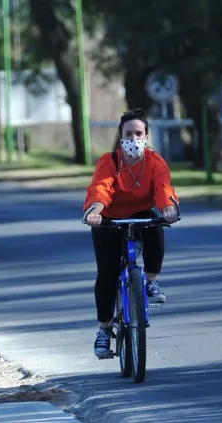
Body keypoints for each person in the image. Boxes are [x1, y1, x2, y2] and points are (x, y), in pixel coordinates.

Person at [82, 108, 180, 359]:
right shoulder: (110, 161)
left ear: (146, 136)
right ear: (120, 136)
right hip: (108, 217)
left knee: (157, 226)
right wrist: (96, 211)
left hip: (140, 213)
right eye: (129, 133)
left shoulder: (155, 161)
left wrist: (169, 208)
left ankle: (150, 280)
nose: (134, 139)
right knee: (107, 273)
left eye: (139, 133)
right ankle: (104, 330)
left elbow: (163, 187)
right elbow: (101, 188)